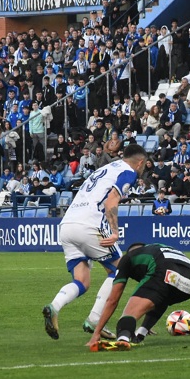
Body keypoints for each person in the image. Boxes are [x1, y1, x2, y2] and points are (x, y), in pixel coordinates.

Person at [42, 144, 148, 341]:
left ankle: (54, 306)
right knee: (120, 269)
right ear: (140, 162)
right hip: (90, 224)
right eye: (144, 166)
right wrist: (115, 232)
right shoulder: (128, 172)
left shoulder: (105, 169)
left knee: (82, 281)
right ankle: (94, 320)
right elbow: (110, 201)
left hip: (67, 225)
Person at [86, 242, 190, 351]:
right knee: (162, 297)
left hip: (164, 271)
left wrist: (97, 332)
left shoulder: (128, 258)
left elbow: (113, 300)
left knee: (127, 317)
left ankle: (122, 339)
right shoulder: (158, 247)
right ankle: (140, 333)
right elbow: (160, 298)